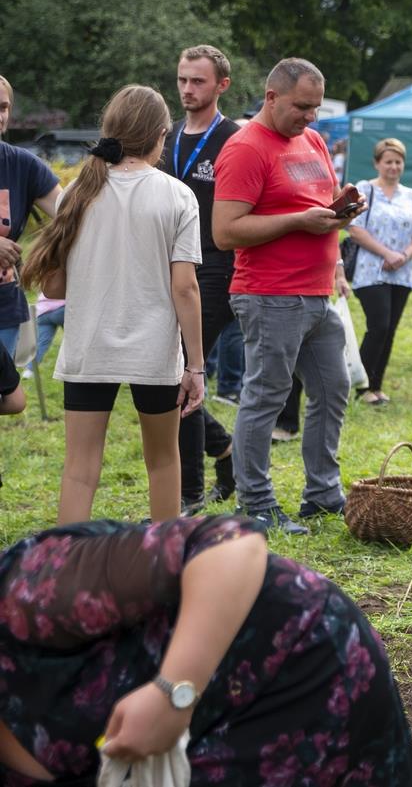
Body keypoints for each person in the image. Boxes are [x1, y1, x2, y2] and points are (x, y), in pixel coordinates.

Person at [0, 515, 412, 784]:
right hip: (206, 728)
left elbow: (231, 542)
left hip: (293, 658)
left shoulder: (27, 589)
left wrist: (172, 694)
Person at [22, 85, 205, 524]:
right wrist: (196, 365)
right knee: (163, 462)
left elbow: (54, 288)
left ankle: (66, 559)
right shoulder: (178, 195)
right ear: (160, 135)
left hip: (89, 345)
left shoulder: (75, 193)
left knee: (79, 470)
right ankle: (163, 558)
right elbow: (185, 288)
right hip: (154, 351)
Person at [213, 57, 357, 535]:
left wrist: (339, 216)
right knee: (266, 397)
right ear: (271, 97)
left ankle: (322, 493)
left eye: (316, 107)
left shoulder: (312, 140)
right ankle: (256, 503)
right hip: (270, 294)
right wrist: (299, 221)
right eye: (302, 107)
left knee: (333, 388)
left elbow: (316, 205)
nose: (311, 117)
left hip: (316, 294)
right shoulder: (245, 148)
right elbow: (225, 231)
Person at [160, 45, 241, 510]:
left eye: (198, 81)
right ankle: (223, 449)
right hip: (168, 267)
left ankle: (188, 493)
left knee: (178, 371)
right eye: (182, 80)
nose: (187, 89)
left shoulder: (234, 139)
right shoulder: (167, 136)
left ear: (221, 85)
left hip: (215, 269)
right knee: (165, 374)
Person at [345, 138, 412, 405]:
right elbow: (354, 228)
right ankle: (360, 386)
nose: (393, 166)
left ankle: (376, 385)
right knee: (378, 326)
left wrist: (404, 255)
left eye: (398, 162)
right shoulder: (364, 189)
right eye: (388, 161)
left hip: (402, 273)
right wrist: (387, 253)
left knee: (390, 329)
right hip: (371, 271)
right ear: (377, 163)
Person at [0, 74, 62, 358]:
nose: (0, 116)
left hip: (5, 310)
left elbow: (69, 214)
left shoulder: (22, 166)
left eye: (3, 107)